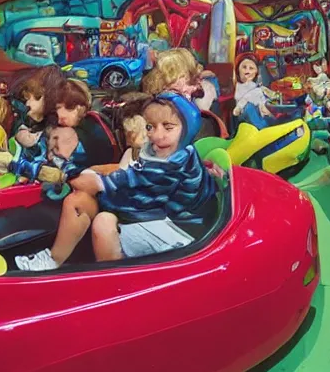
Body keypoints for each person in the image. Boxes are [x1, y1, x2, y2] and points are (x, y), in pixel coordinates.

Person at [15, 92, 216, 271]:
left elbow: (126, 186)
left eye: (168, 127)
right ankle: (53, 259)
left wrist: (64, 175)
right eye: (150, 127)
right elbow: (128, 180)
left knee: (103, 221)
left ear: (186, 129)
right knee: (80, 201)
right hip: (161, 216)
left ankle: (113, 278)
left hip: (179, 232)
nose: (157, 135)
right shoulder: (167, 152)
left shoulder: (172, 162)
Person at [232, 54, 278, 129]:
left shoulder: (255, 86)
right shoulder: (240, 86)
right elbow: (244, 99)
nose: (247, 71)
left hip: (260, 111)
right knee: (249, 107)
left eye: (251, 68)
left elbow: (261, 98)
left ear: (256, 72)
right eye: (244, 67)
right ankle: (263, 128)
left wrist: (264, 104)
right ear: (238, 70)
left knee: (269, 114)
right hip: (244, 114)